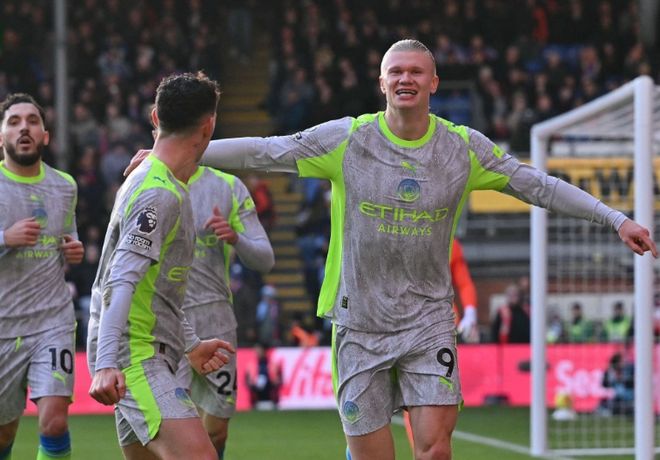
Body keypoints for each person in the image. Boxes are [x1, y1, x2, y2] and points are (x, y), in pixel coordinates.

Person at [126, 40, 657, 460]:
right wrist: (169, 152)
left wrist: (613, 218)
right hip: (359, 323)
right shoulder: (348, 139)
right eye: (396, 71)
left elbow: (535, 184)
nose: (406, 78)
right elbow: (268, 151)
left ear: (434, 83)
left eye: (416, 71)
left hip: (428, 320)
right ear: (381, 82)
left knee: (435, 450)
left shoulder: (461, 148)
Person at [87, 72, 234, 460]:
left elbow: (157, 286)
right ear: (209, 126)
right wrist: (106, 363)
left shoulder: (155, 180)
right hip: (135, 354)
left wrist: (191, 344)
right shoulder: (159, 193)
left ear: (155, 117)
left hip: (149, 349)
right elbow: (121, 279)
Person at [0, 93, 84, 460]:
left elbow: (68, 235)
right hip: (4, 325)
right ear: (1, 136)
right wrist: (5, 238)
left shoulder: (65, 186)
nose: (24, 128)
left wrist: (73, 249)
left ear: (45, 136)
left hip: (52, 321)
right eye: (14, 121)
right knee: (4, 432)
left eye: (32, 121)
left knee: (54, 423)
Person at [174, 163, 274, 459]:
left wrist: (235, 238)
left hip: (216, 318)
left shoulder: (228, 186)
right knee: (171, 426)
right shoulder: (146, 179)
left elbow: (266, 260)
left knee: (216, 430)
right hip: (166, 319)